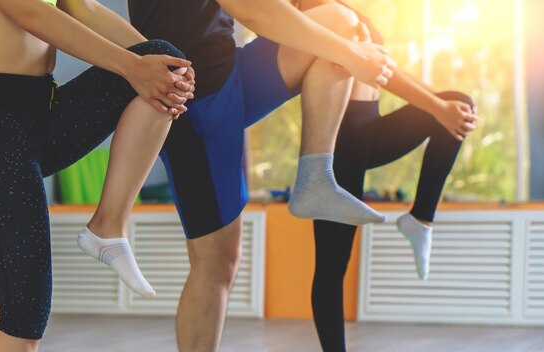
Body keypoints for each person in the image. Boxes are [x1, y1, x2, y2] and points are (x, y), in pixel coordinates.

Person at [123, 0, 397, 351]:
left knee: (342, 22)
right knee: (216, 262)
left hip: (230, 71)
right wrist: (355, 58)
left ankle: (316, 176)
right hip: (194, 99)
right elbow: (255, 12)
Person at [0, 0, 196, 349]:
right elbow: (30, 13)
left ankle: (108, 226)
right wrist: (134, 67)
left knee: (162, 54)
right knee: (25, 316)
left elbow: (83, 8)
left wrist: (166, 69)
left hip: (44, 114)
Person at [293, 1, 479, 351]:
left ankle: (420, 219)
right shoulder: (317, 10)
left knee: (459, 104)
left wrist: (439, 106)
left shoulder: (345, 9)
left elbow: (385, 71)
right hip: (339, 141)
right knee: (333, 264)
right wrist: (437, 107)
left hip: (370, 129)